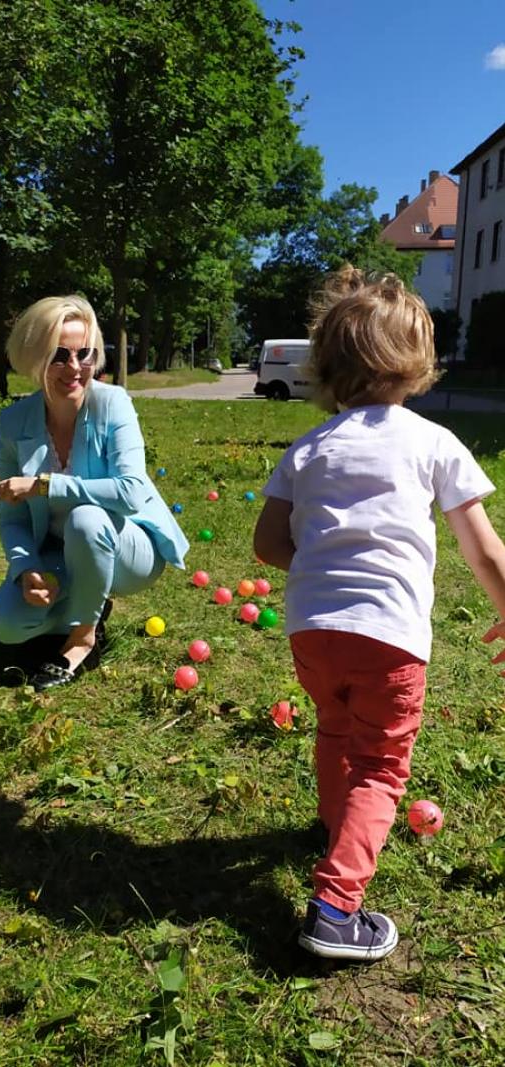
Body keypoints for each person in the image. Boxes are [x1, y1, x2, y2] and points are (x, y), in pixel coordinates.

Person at [254, 266, 505, 963]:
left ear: (329, 363)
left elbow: (268, 544)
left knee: (336, 727)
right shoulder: (432, 442)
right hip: (389, 636)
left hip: (312, 631)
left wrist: (323, 569)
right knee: (381, 766)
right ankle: (336, 909)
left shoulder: (310, 447)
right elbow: (484, 550)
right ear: (417, 361)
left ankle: (334, 824)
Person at [0, 295, 189, 691]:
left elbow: (131, 492)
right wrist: (27, 569)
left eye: (85, 354)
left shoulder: (113, 403)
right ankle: (87, 602)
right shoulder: (13, 422)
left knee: (86, 517)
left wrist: (45, 484)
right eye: (59, 356)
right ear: (36, 358)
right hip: (61, 551)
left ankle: (82, 639)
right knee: (6, 625)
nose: (75, 367)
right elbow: (12, 518)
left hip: (128, 546)